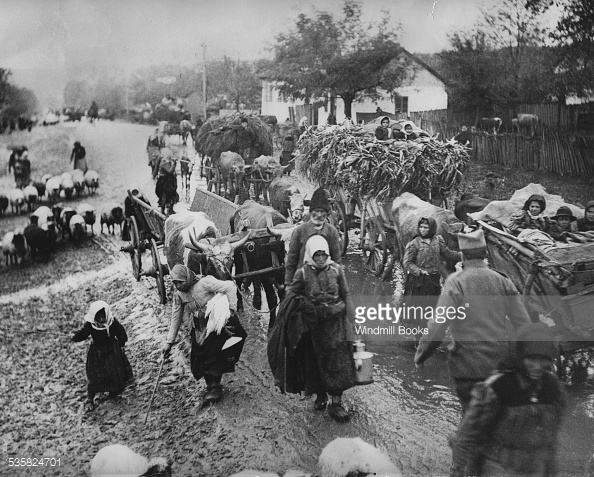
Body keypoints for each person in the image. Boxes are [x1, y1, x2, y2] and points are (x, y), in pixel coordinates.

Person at [414, 229, 531, 413]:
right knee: (499, 416)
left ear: (462, 254)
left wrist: (421, 356)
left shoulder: (456, 282)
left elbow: (437, 326)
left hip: (467, 368)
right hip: (501, 366)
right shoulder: (502, 280)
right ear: (485, 253)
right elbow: (523, 324)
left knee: (472, 420)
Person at [451, 323, 566, 477]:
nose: (537, 366)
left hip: (536, 468)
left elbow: (551, 443)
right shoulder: (498, 387)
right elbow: (466, 438)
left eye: (543, 359)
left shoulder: (553, 389)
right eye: (531, 359)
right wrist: (458, 472)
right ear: (519, 355)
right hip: (499, 467)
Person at [281, 235, 357, 422]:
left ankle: (336, 403)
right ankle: (320, 395)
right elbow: (292, 295)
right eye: (317, 255)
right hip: (314, 328)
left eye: (324, 255)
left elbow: (346, 293)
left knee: (338, 361)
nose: (321, 259)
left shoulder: (337, 270)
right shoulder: (303, 273)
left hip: (335, 325)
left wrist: (353, 318)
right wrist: (299, 306)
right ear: (310, 255)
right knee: (315, 363)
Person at [162, 264, 247, 404]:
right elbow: (175, 317)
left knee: (218, 354)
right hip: (199, 330)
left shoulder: (205, 283)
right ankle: (210, 386)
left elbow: (230, 286)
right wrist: (169, 342)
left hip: (216, 327)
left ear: (188, 277)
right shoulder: (179, 296)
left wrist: (231, 311)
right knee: (201, 358)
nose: (178, 286)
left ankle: (216, 387)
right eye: (175, 283)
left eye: (180, 282)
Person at [402, 217, 461, 335]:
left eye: (426, 227)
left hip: (433, 279)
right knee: (419, 309)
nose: (423, 230)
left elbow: (448, 253)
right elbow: (407, 263)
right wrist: (419, 271)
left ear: (432, 228)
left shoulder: (438, 240)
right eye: (421, 227)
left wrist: (464, 255)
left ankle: (428, 335)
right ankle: (418, 338)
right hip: (418, 281)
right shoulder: (414, 243)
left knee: (432, 307)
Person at [71, 301, 133, 412]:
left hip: (112, 351)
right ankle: (90, 397)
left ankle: (114, 390)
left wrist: (122, 343)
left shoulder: (112, 322)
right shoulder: (91, 324)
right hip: (97, 352)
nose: (101, 320)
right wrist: (75, 337)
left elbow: (121, 333)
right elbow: (83, 334)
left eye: (103, 316)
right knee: (95, 374)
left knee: (113, 371)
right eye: (98, 317)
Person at [284, 187, 342, 285]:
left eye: (322, 211)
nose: (319, 215)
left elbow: (337, 261)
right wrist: (289, 284)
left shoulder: (332, 232)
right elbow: (291, 261)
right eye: (316, 211)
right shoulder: (299, 231)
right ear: (310, 212)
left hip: (326, 284)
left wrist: (339, 285)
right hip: (303, 282)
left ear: (327, 213)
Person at [154, 147, 179, 214]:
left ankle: (170, 209)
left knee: (171, 194)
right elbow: (170, 171)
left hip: (169, 180)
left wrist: (173, 163)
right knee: (164, 195)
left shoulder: (167, 161)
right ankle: (163, 210)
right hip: (164, 182)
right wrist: (174, 163)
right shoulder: (164, 162)